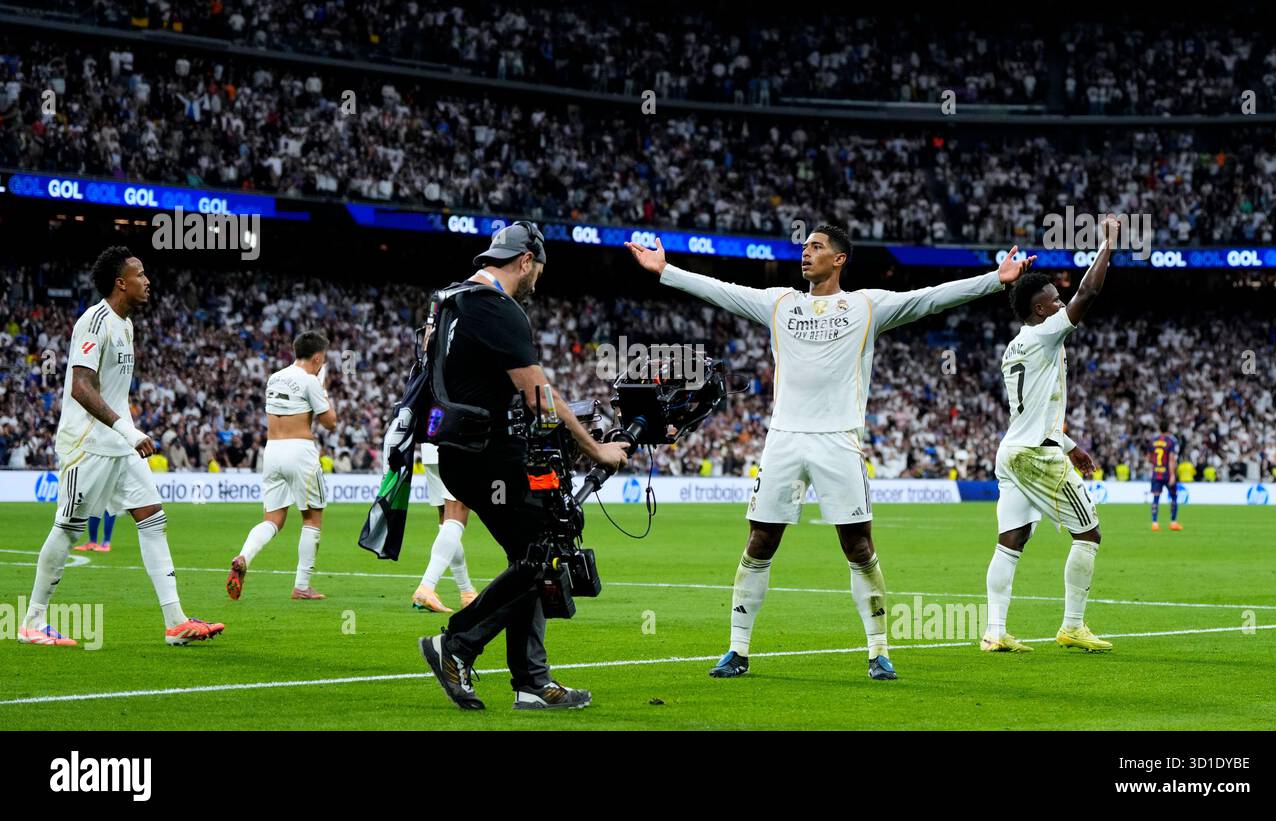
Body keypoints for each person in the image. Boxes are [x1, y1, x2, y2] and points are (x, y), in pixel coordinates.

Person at [626, 226, 1034, 681]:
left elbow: (930, 297)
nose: (806, 254)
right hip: (783, 438)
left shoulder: (867, 305)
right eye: (804, 247)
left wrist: (993, 279)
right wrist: (666, 271)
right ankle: (737, 649)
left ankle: (878, 650)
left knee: (858, 546)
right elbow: (723, 291)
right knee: (760, 541)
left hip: (838, 439)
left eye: (816, 248)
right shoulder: (781, 302)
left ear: (839, 260)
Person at [418, 222, 629, 710]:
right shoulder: (498, 308)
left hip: (458, 449)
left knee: (534, 553)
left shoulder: (450, 301)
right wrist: (596, 449)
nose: (538, 281)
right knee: (544, 549)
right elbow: (539, 396)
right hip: (486, 452)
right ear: (526, 261)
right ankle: (457, 643)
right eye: (540, 270)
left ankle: (531, 683)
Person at [20, 246, 222, 647]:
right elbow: (81, 387)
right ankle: (31, 622)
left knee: (152, 517)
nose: (147, 281)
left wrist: (128, 432)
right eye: (140, 275)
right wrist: (128, 432)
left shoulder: (126, 326)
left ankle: (175, 621)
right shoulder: (94, 322)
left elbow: (112, 390)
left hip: (119, 442)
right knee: (69, 527)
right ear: (120, 282)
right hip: (88, 443)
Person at [981, 215, 1119, 655]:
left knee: (1011, 541)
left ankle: (994, 631)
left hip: (1013, 451)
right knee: (1089, 535)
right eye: (1054, 300)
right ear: (1040, 310)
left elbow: (1032, 412)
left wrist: (1069, 443)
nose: (1062, 304)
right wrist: (1108, 244)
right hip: (1035, 457)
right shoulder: (1045, 336)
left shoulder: (1015, 346)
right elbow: (1090, 291)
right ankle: (1072, 626)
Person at [227, 331, 337, 600]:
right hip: (300, 450)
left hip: (272, 450)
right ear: (318, 357)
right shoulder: (311, 381)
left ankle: (244, 556)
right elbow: (330, 422)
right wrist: (322, 388)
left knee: (273, 519)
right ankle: (301, 585)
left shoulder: (274, 377)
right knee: (312, 517)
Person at [411, 443, 478, 612]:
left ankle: (467, 592)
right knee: (457, 512)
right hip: (456, 446)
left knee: (446, 518)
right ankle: (426, 587)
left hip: (430, 449)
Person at [1148, 422, 1183, 531]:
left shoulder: (1153, 441)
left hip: (1156, 473)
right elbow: (1171, 459)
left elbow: (1149, 458)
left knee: (1156, 498)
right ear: (1168, 430)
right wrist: (1172, 475)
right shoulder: (1170, 442)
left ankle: (1155, 523)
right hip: (1167, 473)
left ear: (1159, 428)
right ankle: (1173, 522)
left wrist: (1156, 465)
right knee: (1173, 496)